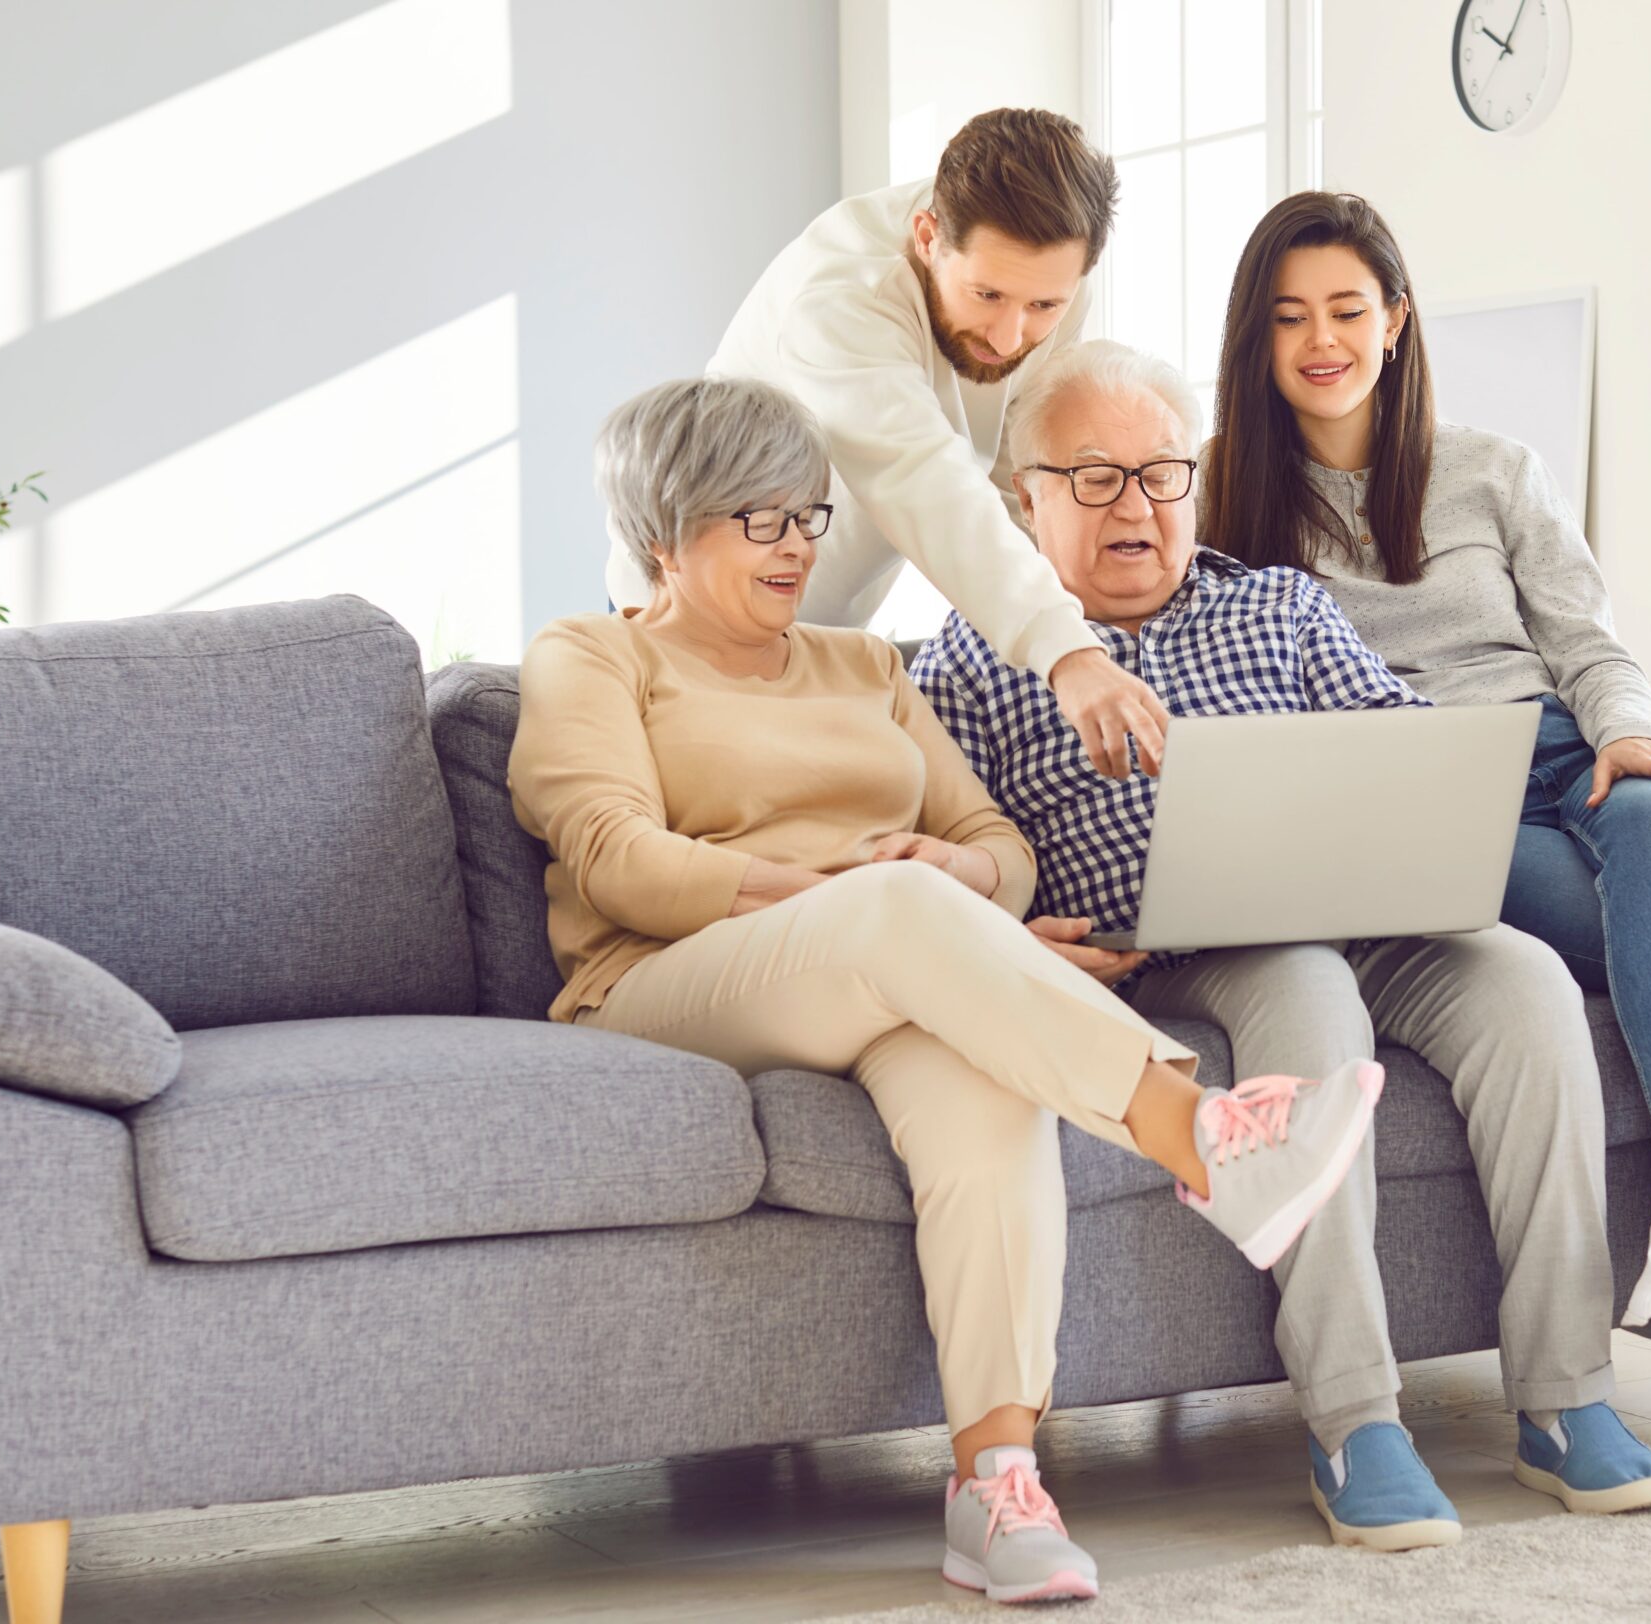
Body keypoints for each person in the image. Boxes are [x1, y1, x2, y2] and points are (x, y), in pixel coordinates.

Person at [515, 377, 1381, 1604]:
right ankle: (1205, 1136)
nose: (798, 545)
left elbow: (997, 848)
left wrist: (959, 866)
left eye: (807, 514)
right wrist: (848, 887)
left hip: (882, 965)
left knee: (991, 1098)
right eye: (755, 519)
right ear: (666, 528)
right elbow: (616, 857)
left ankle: (997, 1485)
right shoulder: (590, 654)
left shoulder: (863, 663)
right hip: (670, 979)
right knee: (900, 909)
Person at [914, 340, 1651, 1551]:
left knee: (1529, 983)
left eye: (1162, 475)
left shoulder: (1277, 603)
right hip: (1174, 952)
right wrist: (1014, 938)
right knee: (1306, 992)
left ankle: (1564, 1396)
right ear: (1027, 497)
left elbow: (1411, 747)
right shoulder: (972, 656)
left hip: (1372, 908)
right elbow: (941, 855)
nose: (1138, 508)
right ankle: (1353, 1420)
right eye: (1097, 478)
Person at [1201, 192, 1651, 1483]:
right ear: (1255, 341)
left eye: (1347, 309)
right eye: (1289, 318)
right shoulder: (1224, 496)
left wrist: (1630, 732)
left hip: (1559, 750)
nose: (1322, 339)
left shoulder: (1492, 470)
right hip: (1434, 800)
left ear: (1396, 320)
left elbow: (1587, 643)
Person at [601, 107, 1172, 782]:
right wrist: (1067, 653)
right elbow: (926, 478)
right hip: (688, 628)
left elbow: (1013, 475)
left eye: (1044, 306)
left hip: (825, 640)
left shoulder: (1045, 280)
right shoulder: (842, 300)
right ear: (927, 237)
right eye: (986, 294)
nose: (1009, 336)